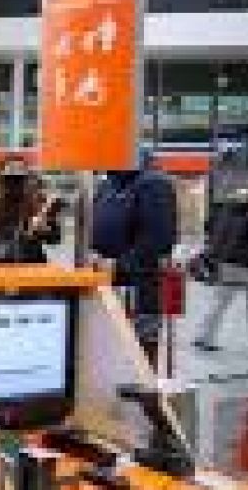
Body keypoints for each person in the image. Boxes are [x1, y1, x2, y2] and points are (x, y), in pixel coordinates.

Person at [90, 152, 178, 364]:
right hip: (107, 285)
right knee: (106, 358)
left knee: (138, 361)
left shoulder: (154, 183)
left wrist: (118, 265)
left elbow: (159, 239)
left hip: (139, 289)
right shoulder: (108, 184)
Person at [193, 175, 248, 355]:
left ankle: (204, 336)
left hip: (228, 260)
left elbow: (213, 228)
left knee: (219, 301)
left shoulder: (231, 204)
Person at [0, 157, 63, 263]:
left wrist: (44, 221)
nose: (15, 187)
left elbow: (54, 238)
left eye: (19, 180)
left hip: (27, 262)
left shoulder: (37, 203)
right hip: (3, 263)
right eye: (10, 181)